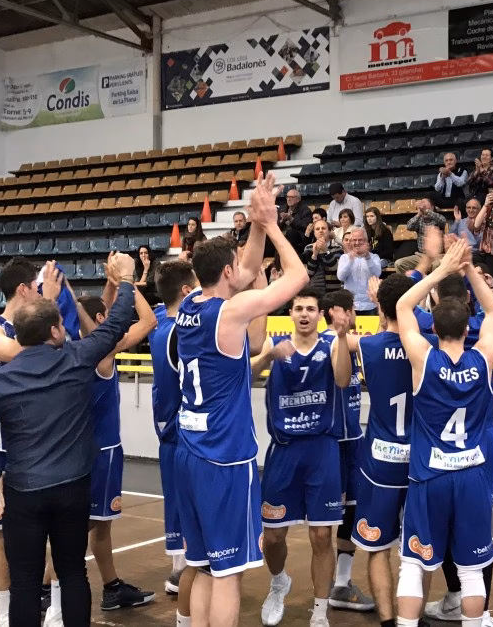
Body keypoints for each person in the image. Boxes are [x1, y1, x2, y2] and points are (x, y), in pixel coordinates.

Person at [0, 253, 140, 627]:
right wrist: (127, 279)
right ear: (57, 331)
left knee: (25, 583)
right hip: (72, 488)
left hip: (23, 490)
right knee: (73, 574)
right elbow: (117, 322)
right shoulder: (76, 358)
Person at [173, 174, 309, 627]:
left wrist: (251, 223)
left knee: (208, 566)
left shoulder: (192, 302)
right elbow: (298, 276)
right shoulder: (230, 313)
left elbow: (246, 272)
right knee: (229, 573)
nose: (241, 271)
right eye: (235, 265)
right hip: (225, 458)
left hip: (190, 453)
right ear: (225, 273)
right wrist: (270, 225)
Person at [394, 239, 493, 627]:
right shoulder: (483, 358)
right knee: (472, 571)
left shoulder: (423, 359)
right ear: (467, 325)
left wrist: (440, 270)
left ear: (434, 326)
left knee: (412, 564)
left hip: (429, 475)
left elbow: (403, 305)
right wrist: (469, 268)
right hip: (471, 475)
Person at [250, 289, 353, 627]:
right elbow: (245, 377)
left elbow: (340, 379)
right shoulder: (274, 345)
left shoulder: (333, 344)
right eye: (299, 308)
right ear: (291, 314)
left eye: (311, 308)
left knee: (322, 537)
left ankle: (320, 610)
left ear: (318, 313)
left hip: (322, 449)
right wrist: (267, 359)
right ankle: (279, 582)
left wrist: (341, 333)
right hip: (284, 451)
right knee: (274, 536)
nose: (305, 313)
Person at [57, 281, 156, 621]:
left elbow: (97, 315)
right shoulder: (103, 352)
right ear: (101, 318)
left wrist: (111, 286)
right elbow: (148, 321)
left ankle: (112, 586)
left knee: (100, 526)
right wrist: (130, 282)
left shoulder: (70, 352)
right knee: (79, 529)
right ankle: (47, 590)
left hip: (78, 450)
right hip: (102, 453)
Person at [0, 256, 57, 627]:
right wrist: (49, 310)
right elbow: (17, 354)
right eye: (37, 288)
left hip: (44, 442)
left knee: (57, 530)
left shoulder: (39, 327)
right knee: (2, 536)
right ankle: (5, 616)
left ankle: (54, 609)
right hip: (4, 449)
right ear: (23, 289)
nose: (40, 292)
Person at [350, 274, 431, 627]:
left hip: (380, 461)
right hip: (420, 461)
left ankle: (386, 621)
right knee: (419, 550)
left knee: (377, 547)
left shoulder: (366, 347)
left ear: (381, 308)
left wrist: (382, 312)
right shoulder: (429, 346)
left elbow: (375, 338)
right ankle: (413, 617)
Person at [317, 290, 378, 615]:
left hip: (352, 440)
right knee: (328, 517)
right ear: (338, 311)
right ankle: (320, 586)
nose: (357, 312)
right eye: (353, 308)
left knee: (351, 515)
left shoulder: (348, 341)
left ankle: (341, 582)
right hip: (332, 443)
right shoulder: (329, 341)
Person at [149, 259, 200, 626]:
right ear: (186, 291)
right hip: (183, 428)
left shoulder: (158, 321)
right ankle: (184, 569)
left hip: (166, 427)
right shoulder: (180, 331)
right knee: (188, 502)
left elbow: (152, 303)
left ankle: (178, 568)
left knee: (176, 501)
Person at [395, 199, 449, 272]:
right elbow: (409, 226)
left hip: (437, 256)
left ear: (432, 208)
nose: (423, 209)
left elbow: (443, 220)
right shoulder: (419, 221)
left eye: (426, 207)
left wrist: (426, 211)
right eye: (422, 207)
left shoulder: (437, 219)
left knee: (436, 265)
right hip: (421, 255)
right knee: (399, 263)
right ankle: (410, 283)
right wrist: (418, 214)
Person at [338, 227, 383, 314]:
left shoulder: (374, 257)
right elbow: (341, 277)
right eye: (354, 240)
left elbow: (377, 273)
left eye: (360, 240)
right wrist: (351, 259)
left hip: (369, 305)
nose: (357, 243)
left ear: (366, 241)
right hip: (351, 306)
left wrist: (367, 257)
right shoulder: (344, 258)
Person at [306, 218, 344, 294]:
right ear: (314, 233)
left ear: (329, 231)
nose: (320, 231)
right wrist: (314, 255)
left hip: (334, 292)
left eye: (323, 228)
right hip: (315, 292)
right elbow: (309, 273)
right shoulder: (308, 248)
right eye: (317, 229)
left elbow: (336, 270)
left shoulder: (338, 249)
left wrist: (326, 251)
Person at [281, 187, 315, 253]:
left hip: (298, 239)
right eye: (287, 197)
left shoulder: (305, 210)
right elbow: (276, 225)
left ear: (298, 199)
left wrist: (291, 219)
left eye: (291, 197)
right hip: (283, 235)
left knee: (291, 233)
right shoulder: (283, 209)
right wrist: (282, 221)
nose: (288, 199)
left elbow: (305, 226)